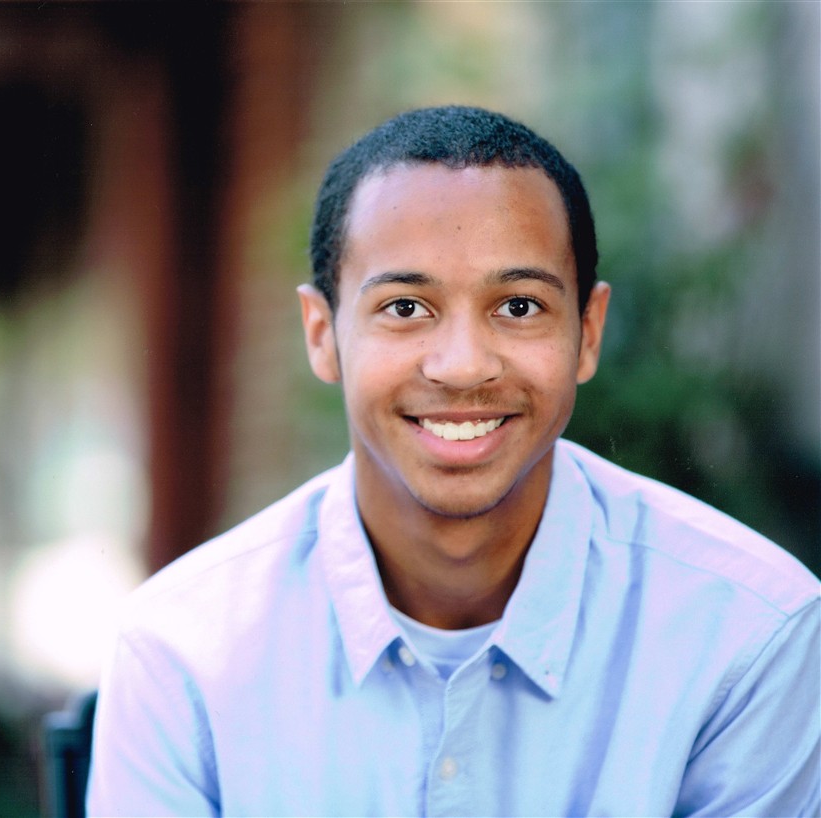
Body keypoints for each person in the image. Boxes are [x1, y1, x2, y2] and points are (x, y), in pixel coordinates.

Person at [86, 106, 820, 817]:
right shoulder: (181, 652)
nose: (463, 366)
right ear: (322, 335)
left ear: (588, 333)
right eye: (405, 308)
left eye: (519, 306)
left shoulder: (746, 635)